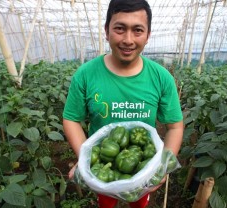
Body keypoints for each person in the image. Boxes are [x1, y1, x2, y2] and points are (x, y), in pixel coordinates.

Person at [62, 0, 184, 207]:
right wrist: (85, 159)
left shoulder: (161, 77)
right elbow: (71, 119)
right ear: (106, 31)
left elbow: (174, 126)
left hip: (141, 168)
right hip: (103, 166)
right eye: (119, 29)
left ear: (148, 35)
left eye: (137, 30)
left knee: (138, 202)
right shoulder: (85, 75)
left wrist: (162, 166)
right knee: (107, 201)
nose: (128, 39)